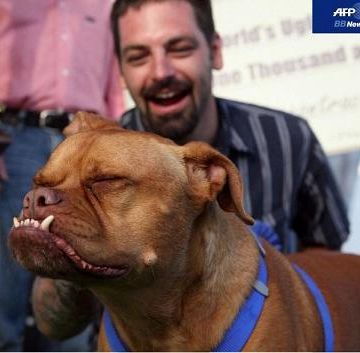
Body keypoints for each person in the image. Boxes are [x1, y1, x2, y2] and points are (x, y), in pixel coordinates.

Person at [30, 0, 350, 343]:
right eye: (138, 57)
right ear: (120, 71)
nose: (161, 71)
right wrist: (70, 238)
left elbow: (326, 255)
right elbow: (55, 325)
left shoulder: (287, 138)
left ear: (215, 51)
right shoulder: (85, 150)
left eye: (179, 48)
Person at [0, 0, 124, 351]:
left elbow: (112, 85)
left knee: (71, 293)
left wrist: (113, 151)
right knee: (4, 302)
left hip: (82, 145)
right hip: (15, 140)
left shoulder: (104, 5)